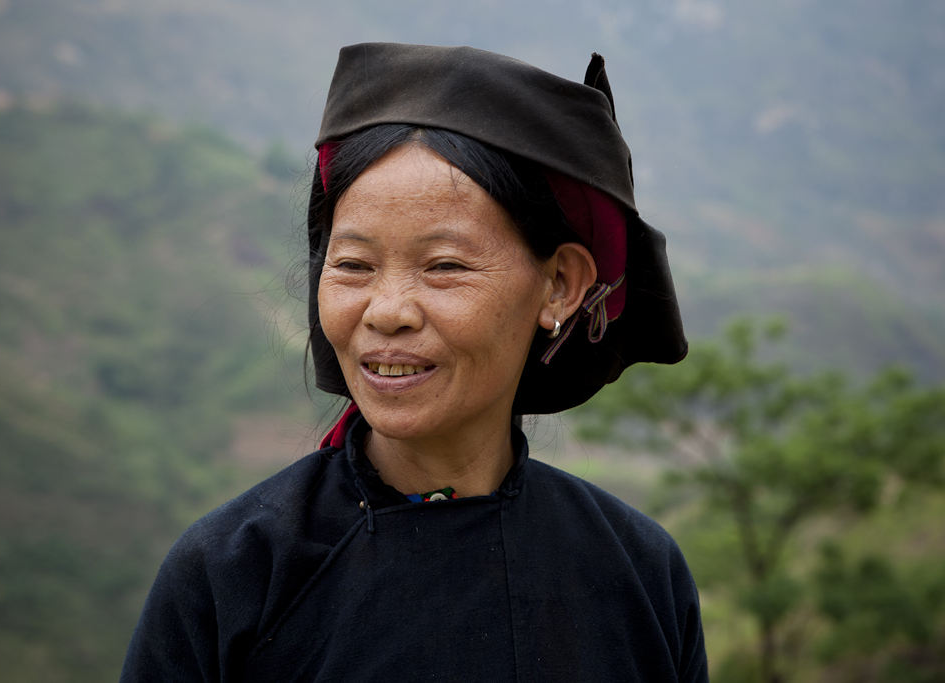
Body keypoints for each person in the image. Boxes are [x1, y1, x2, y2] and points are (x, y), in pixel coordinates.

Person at [120, 43, 706, 682]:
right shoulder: (233, 575)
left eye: (445, 266)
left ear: (561, 283)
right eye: (353, 266)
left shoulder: (639, 575)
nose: (387, 310)